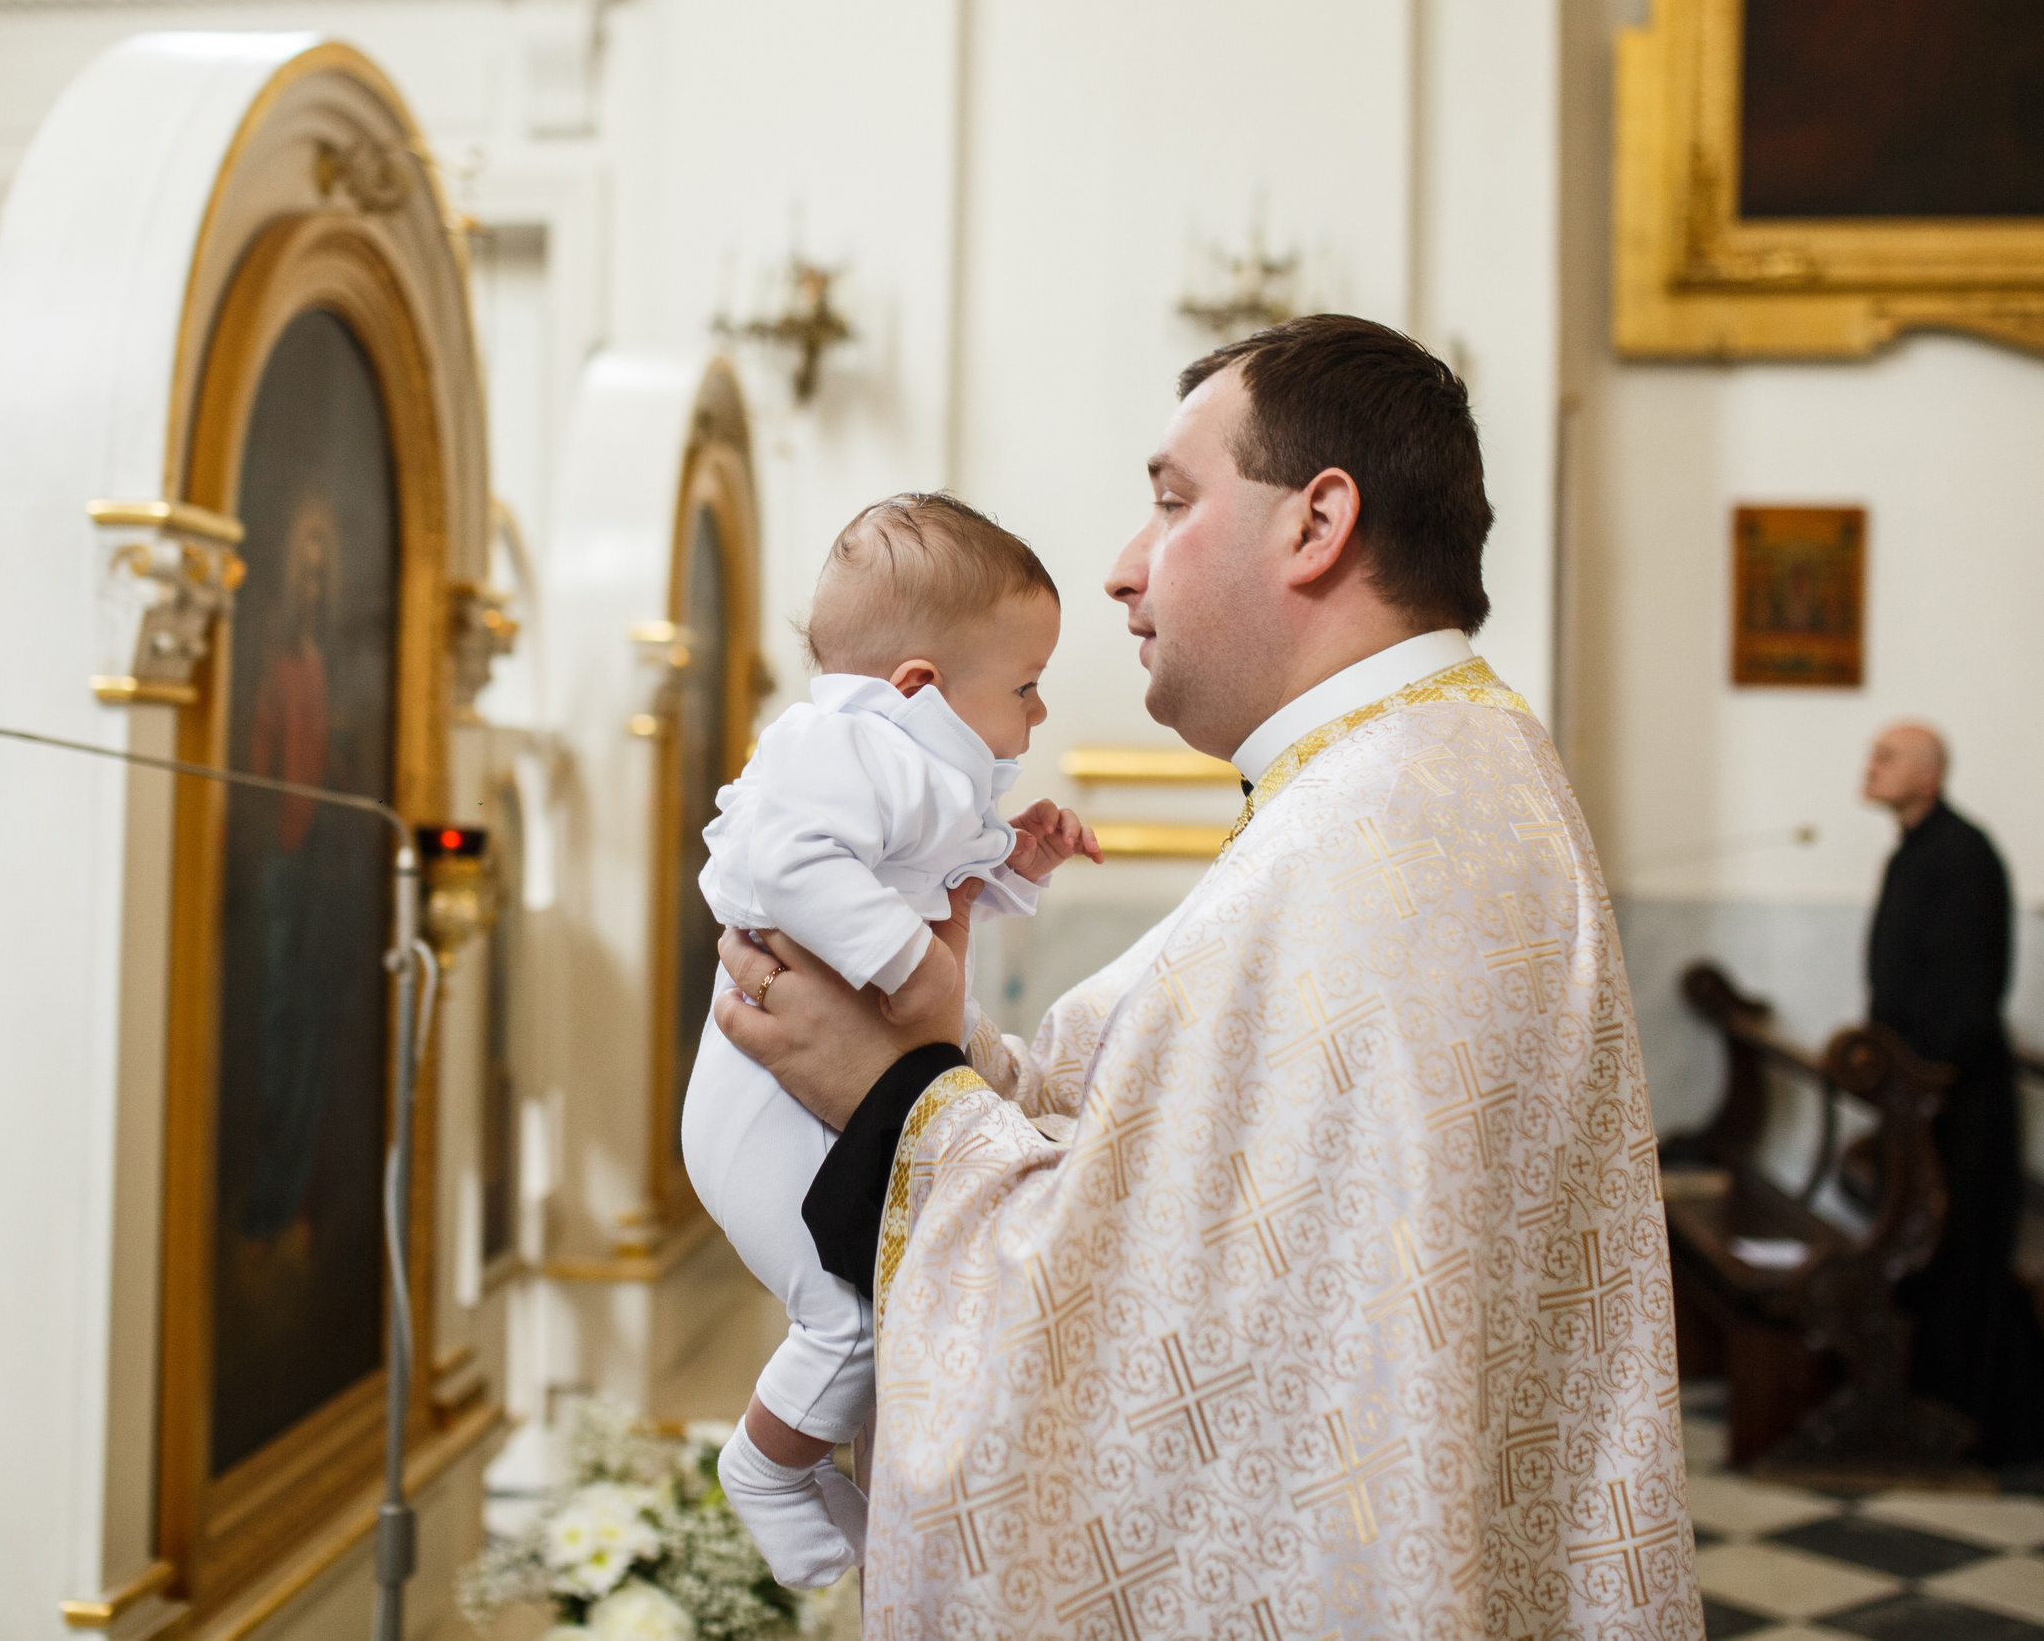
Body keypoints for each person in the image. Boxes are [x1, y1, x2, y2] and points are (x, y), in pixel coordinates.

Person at [717, 315, 1693, 1634]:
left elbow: (1147, 1362)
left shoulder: (1375, 837)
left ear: (1318, 520)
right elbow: (1178, 1177)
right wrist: (954, 1046)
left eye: (1172, 501)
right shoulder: (1414, 779)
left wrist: (897, 1093)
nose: (1124, 570)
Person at [690, 493, 1103, 1588]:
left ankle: (818, 1471)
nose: (1040, 709)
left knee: (885, 1301)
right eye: (1021, 686)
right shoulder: (833, 747)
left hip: (824, 1072)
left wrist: (1014, 858)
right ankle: (763, 1469)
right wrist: (908, 964)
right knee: (852, 1314)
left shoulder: (913, 767)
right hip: (759, 1091)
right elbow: (783, 869)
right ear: (918, 684)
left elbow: (939, 879)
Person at [1861, 721, 2043, 1464]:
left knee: (1965, 1258)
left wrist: (1917, 1082)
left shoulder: (1962, 855)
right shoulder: (1917, 849)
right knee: (1935, 1260)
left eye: (1887, 757)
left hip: (1959, 1101)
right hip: (1922, 1098)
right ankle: (1933, 1404)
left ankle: (1986, 1426)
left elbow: (1966, 999)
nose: (1870, 767)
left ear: (1929, 778)